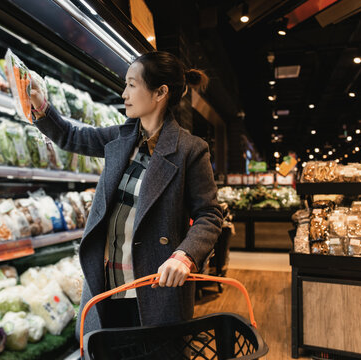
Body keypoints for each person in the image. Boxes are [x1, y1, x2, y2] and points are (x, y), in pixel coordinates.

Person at [29, 51, 223, 340]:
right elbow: (71, 136)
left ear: (160, 92)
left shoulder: (190, 150)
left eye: (132, 84)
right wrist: (41, 106)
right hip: (108, 285)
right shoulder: (121, 138)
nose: (124, 93)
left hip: (155, 286)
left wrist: (184, 256)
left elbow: (210, 214)